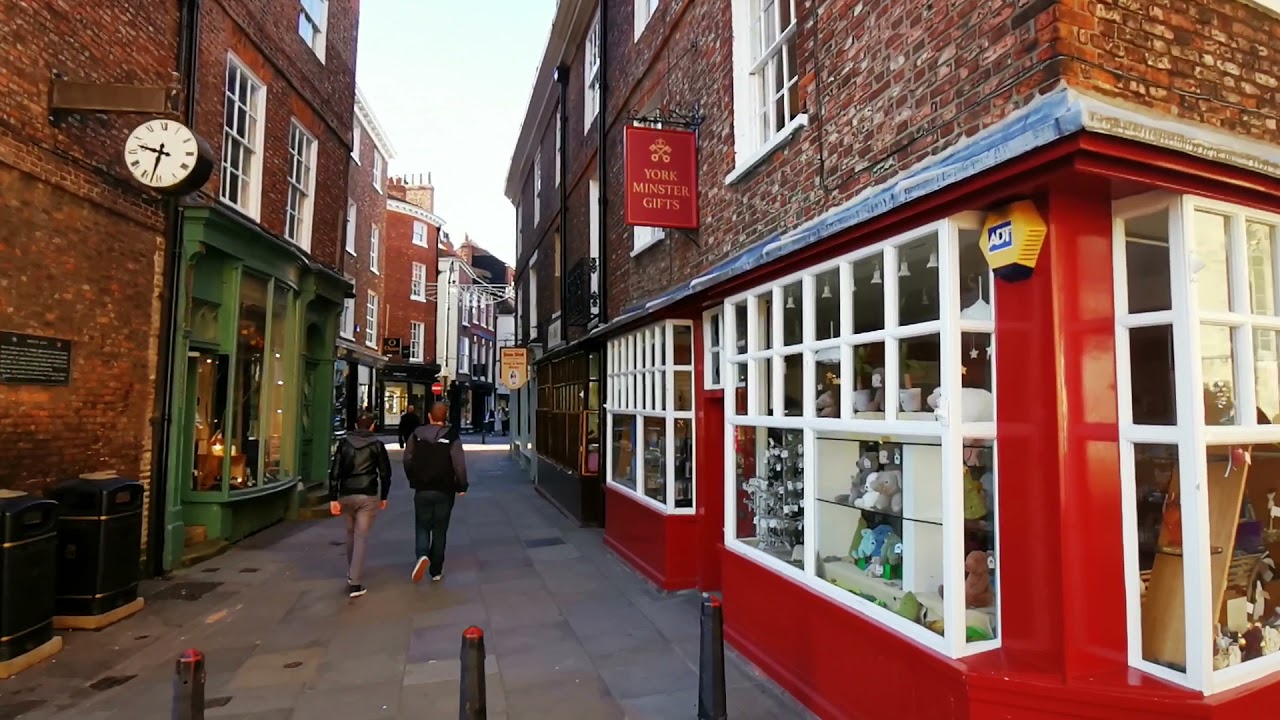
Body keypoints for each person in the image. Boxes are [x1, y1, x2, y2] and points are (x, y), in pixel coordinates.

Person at [328, 413, 392, 598]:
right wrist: (384, 495)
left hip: (346, 493)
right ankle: (354, 582)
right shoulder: (377, 445)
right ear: (372, 426)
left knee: (350, 534)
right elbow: (385, 472)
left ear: (356, 424)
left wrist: (333, 497)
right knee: (361, 537)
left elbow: (335, 471)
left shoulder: (345, 443)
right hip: (367, 494)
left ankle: (352, 573)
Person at [404, 402, 468, 583]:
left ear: (430, 417)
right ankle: (436, 570)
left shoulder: (416, 435)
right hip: (445, 490)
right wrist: (462, 486)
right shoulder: (452, 437)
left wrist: (413, 479)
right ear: (445, 417)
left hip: (422, 489)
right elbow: (459, 464)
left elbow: (407, 459)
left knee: (422, 525)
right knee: (440, 529)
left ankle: (422, 554)